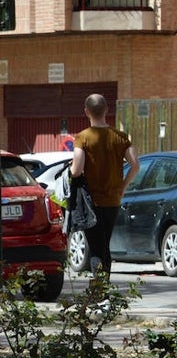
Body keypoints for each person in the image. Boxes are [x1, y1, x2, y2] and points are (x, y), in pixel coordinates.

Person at [70, 93, 139, 276]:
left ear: (86, 112)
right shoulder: (121, 137)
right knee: (104, 244)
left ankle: (100, 294)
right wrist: (122, 188)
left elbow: (76, 170)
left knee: (95, 248)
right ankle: (104, 294)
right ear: (107, 110)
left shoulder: (82, 137)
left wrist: (70, 172)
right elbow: (135, 166)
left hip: (91, 202)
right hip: (113, 200)